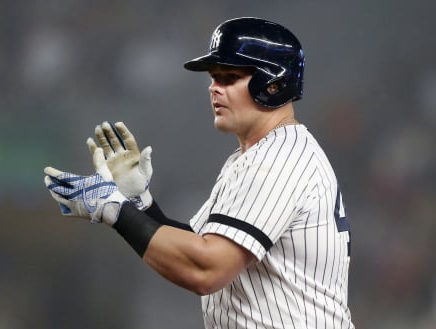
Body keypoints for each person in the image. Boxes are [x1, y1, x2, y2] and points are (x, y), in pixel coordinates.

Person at [44, 17, 355, 329]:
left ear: (272, 84)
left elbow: (206, 269)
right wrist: (140, 204)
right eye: (213, 78)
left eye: (229, 77)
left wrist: (116, 211)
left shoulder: (279, 160)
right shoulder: (259, 155)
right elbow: (195, 245)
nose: (214, 88)